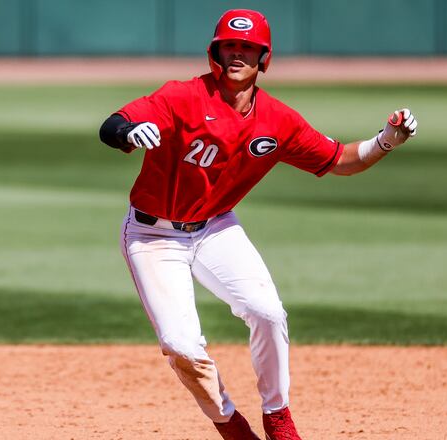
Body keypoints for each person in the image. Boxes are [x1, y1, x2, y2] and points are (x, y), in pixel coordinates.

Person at [99, 9, 417, 440]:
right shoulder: (182, 97)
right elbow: (113, 123)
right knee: (181, 346)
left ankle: (278, 415)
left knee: (268, 312)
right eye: (229, 45)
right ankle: (231, 424)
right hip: (153, 234)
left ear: (263, 57)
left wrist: (385, 141)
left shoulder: (278, 120)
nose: (237, 54)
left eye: (247, 47)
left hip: (215, 228)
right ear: (215, 51)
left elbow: (341, 159)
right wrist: (126, 134)